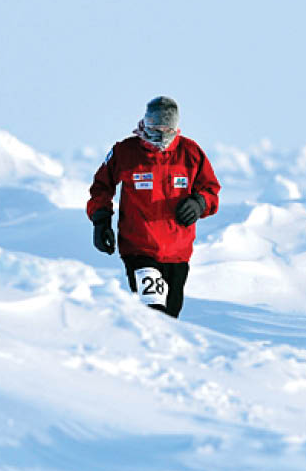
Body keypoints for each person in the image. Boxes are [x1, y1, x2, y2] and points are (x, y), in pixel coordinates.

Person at [86, 96, 221, 318]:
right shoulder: (125, 152)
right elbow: (101, 187)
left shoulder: (190, 152)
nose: (160, 132)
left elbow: (211, 190)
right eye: (154, 126)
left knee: (169, 317)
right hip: (139, 250)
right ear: (145, 122)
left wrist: (199, 203)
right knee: (152, 313)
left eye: (166, 127)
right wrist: (101, 221)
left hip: (178, 254)